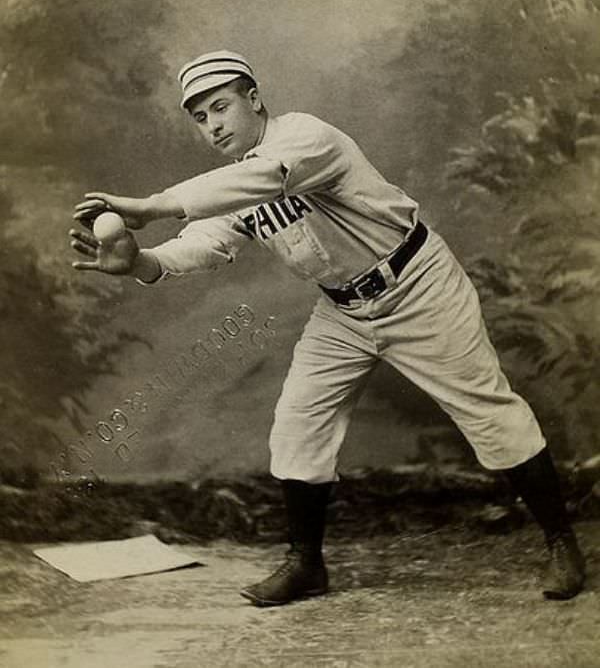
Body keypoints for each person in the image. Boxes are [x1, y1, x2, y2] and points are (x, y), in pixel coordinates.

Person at [70, 50, 585, 607]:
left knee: (487, 412)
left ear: (255, 99)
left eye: (222, 106)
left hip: (418, 285)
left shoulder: (305, 137)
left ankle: (562, 542)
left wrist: (152, 205)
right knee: (298, 423)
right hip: (343, 310)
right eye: (200, 117)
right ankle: (306, 564)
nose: (214, 124)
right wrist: (140, 262)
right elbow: (207, 243)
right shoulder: (231, 183)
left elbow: (266, 177)